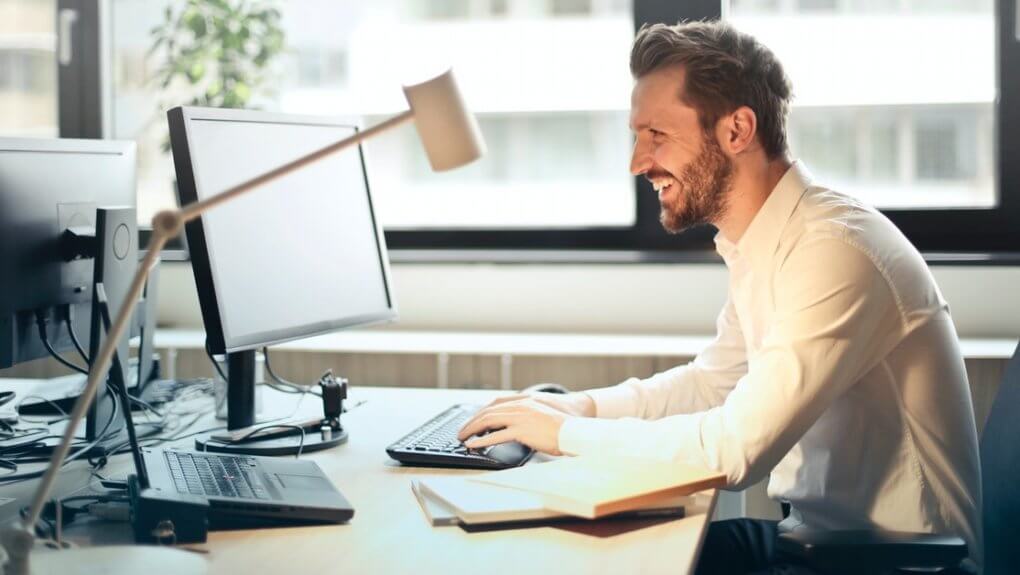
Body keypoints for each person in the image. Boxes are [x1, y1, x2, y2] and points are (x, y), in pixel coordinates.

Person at [458, 20, 982, 575]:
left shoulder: (834, 251)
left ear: (737, 130)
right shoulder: (767, 240)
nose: (637, 162)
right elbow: (712, 384)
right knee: (598, 551)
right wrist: (580, 407)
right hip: (816, 543)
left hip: (895, 564)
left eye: (656, 134)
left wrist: (563, 435)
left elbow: (735, 450)